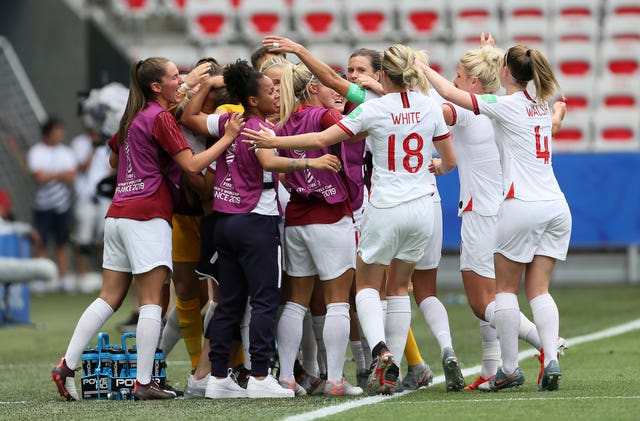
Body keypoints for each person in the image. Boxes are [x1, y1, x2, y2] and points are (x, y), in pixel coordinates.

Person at [244, 44, 456, 395]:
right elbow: (449, 162)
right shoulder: (430, 106)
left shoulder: (373, 110)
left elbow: (320, 139)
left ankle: (379, 350)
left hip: (386, 206)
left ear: (383, 75)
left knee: (368, 286)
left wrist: (275, 138)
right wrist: (435, 166)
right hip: (422, 207)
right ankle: (397, 366)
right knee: (400, 287)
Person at [50, 56, 244, 401]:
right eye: (174, 77)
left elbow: (113, 159)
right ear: (157, 86)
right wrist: (228, 136)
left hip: (117, 214)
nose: (180, 80)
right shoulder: (160, 118)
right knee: (154, 299)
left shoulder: (134, 116)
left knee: (108, 297)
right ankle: (144, 382)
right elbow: (193, 164)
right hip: (147, 214)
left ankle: (66, 366)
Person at [180, 59, 341, 399]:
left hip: (223, 220)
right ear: (253, 100)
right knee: (265, 299)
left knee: (230, 303)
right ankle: (259, 376)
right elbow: (269, 161)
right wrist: (311, 161)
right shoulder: (259, 127)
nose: (276, 94)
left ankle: (219, 377)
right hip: (256, 219)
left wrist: (208, 86)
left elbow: (188, 118)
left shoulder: (229, 120)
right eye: (270, 90)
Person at [419, 43, 571, 392]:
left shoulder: (500, 107)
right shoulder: (540, 106)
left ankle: (508, 367)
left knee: (500, 293)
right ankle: (547, 357)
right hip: (557, 206)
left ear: (503, 74)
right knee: (539, 291)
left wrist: (420, 67)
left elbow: (447, 94)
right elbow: (552, 123)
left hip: (517, 206)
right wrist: (495, 54)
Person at [273, 61, 362, 396]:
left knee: (295, 303)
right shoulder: (324, 118)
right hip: (329, 215)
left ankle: (286, 377)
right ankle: (336, 380)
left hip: (296, 216)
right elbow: (361, 128)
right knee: (338, 302)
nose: (337, 90)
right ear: (312, 88)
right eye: (331, 85)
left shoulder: (283, 122)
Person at [27, 117, 77, 293]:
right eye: (57, 130)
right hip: (42, 206)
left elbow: (71, 176)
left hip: (62, 206)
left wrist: (51, 176)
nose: (60, 134)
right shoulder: (36, 152)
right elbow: (39, 177)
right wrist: (59, 175)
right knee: (41, 242)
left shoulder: (66, 152)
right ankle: (39, 280)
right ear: (48, 133)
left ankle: (63, 279)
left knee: (61, 243)